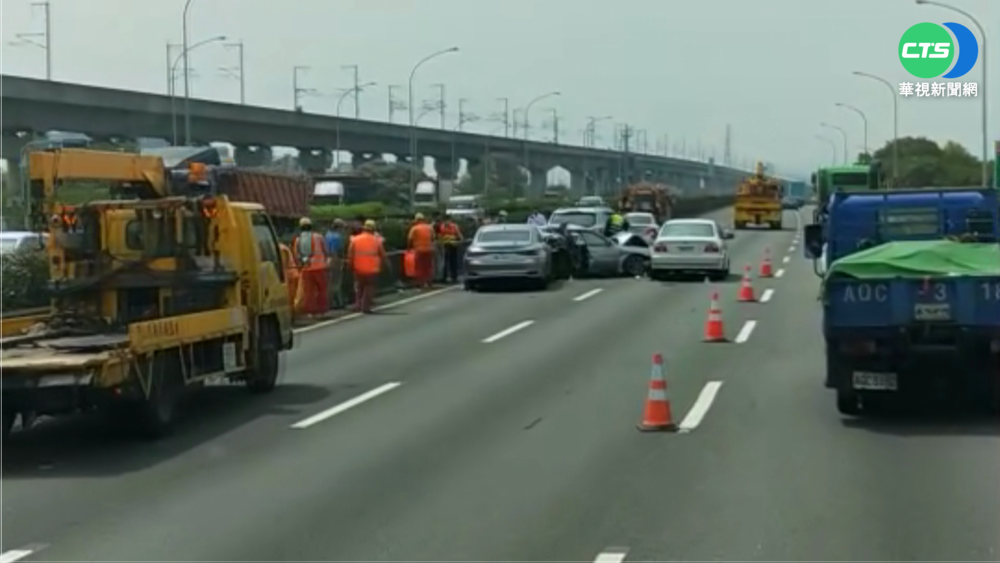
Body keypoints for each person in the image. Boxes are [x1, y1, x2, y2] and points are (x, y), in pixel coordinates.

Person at [347, 219, 387, 314]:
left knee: (358, 287)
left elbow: (350, 255)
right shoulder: (376, 241)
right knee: (369, 288)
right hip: (372, 269)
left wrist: (350, 266)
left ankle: (358, 305)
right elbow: (383, 255)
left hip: (358, 268)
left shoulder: (355, 240)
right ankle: (365, 307)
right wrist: (385, 266)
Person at [291, 217, 330, 316]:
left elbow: (296, 254)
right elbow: (326, 250)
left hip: (306, 268)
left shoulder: (298, 239)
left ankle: (310, 312)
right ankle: (322, 310)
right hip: (320, 267)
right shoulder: (318, 237)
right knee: (322, 289)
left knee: (308, 291)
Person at [408, 213, 436, 289]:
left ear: (417, 220)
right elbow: (433, 238)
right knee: (428, 267)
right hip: (429, 249)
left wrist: (409, 248)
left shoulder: (414, 228)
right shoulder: (429, 228)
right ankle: (429, 283)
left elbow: (410, 239)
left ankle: (421, 284)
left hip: (419, 250)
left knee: (419, 267)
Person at [324, 219, 346, 308]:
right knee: (337, 282)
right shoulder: (337, 237)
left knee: (329, 282)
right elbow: (339, 250)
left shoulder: (327, 235)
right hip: (335, 259)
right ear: (339, 227)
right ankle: (336, 302)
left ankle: (334, 302)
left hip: (327, 259)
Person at [437, 214, 463, 284]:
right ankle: (445, 277)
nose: (446, 222)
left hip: (453, 245)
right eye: (445, 221)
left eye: (447, 221)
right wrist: (440, 244)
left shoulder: (454, 226)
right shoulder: (441, 227)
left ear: (449, 220)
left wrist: (458, 242)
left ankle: (454, 276)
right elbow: (440, 236)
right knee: (445, 262)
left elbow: (459, 235)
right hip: (445, 245)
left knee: (453, 262)